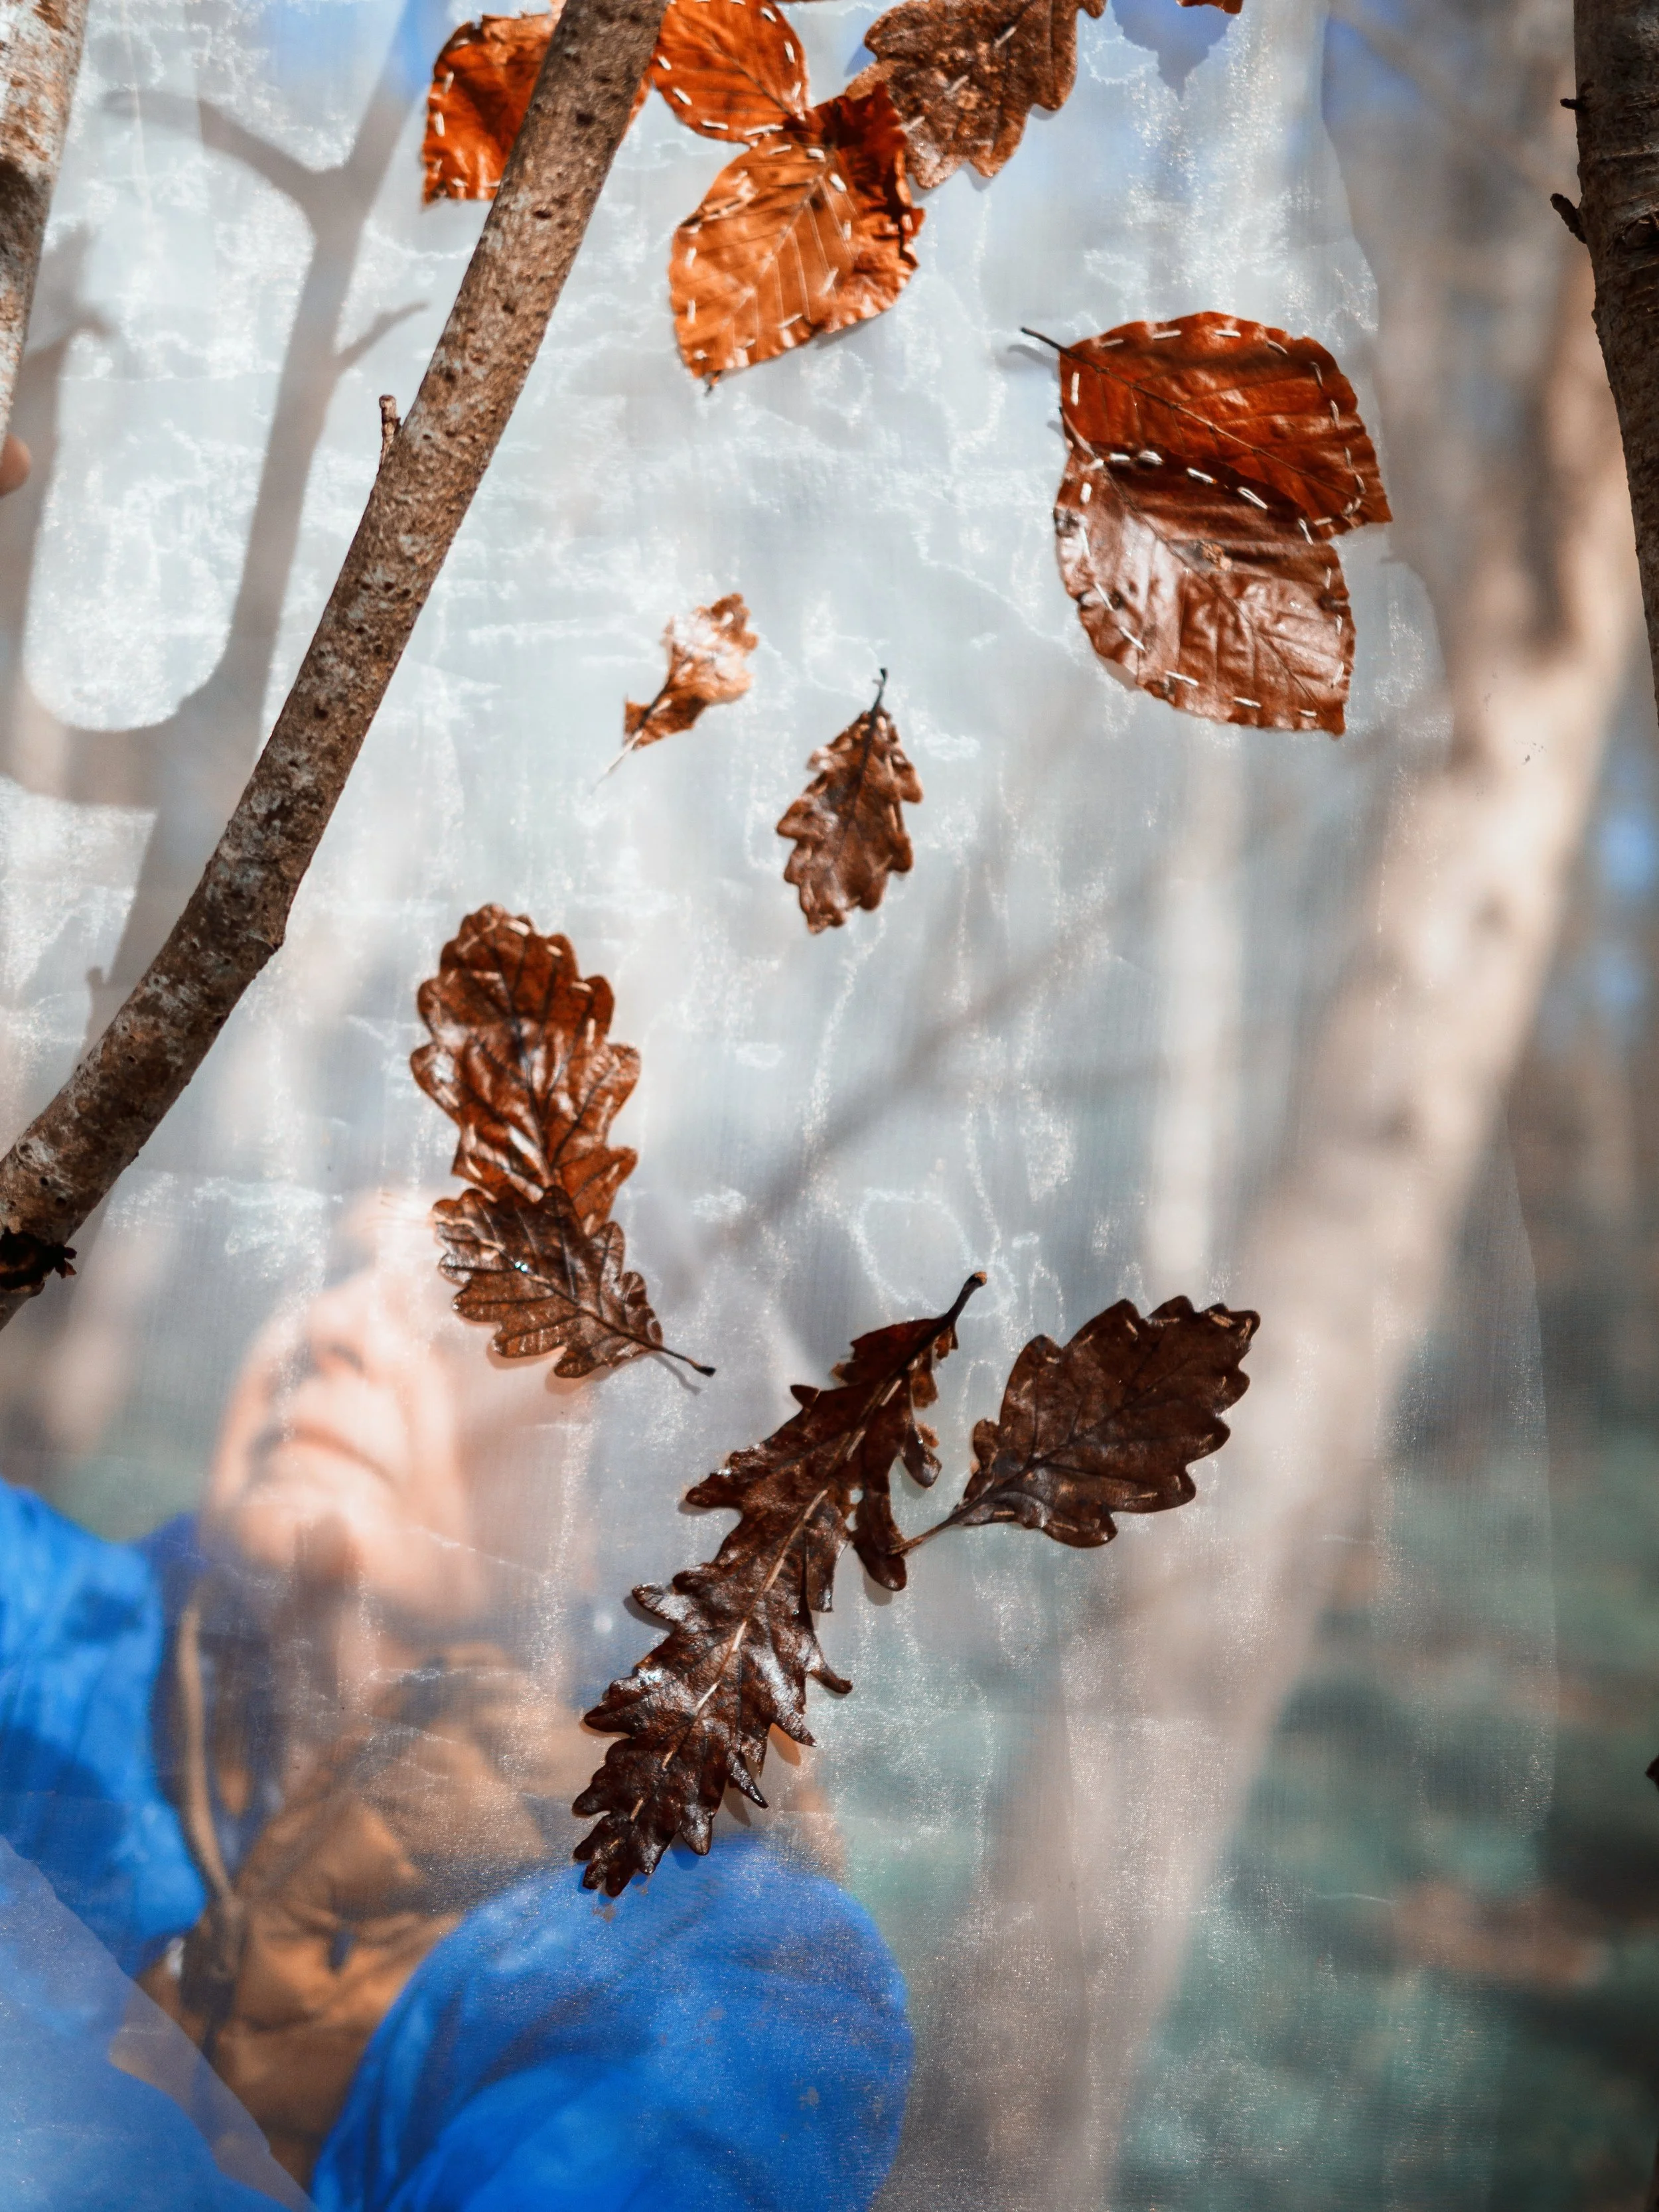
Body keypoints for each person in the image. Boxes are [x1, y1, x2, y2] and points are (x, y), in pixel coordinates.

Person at [0, 1196, 912, 2209]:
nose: (333, 1329)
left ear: (623, 1499)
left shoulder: (731, 1983)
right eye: (334, 1269)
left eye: (462, 1307)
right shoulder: (53, 1637)